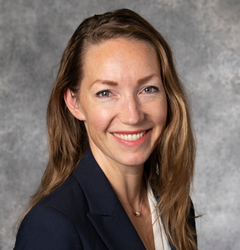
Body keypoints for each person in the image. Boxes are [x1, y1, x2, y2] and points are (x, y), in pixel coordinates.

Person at [14, 9, 197, 250]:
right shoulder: (51, 226)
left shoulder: (176, 207)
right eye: (105, 93)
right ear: (74, 103)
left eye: (148, 89)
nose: (132, 115)